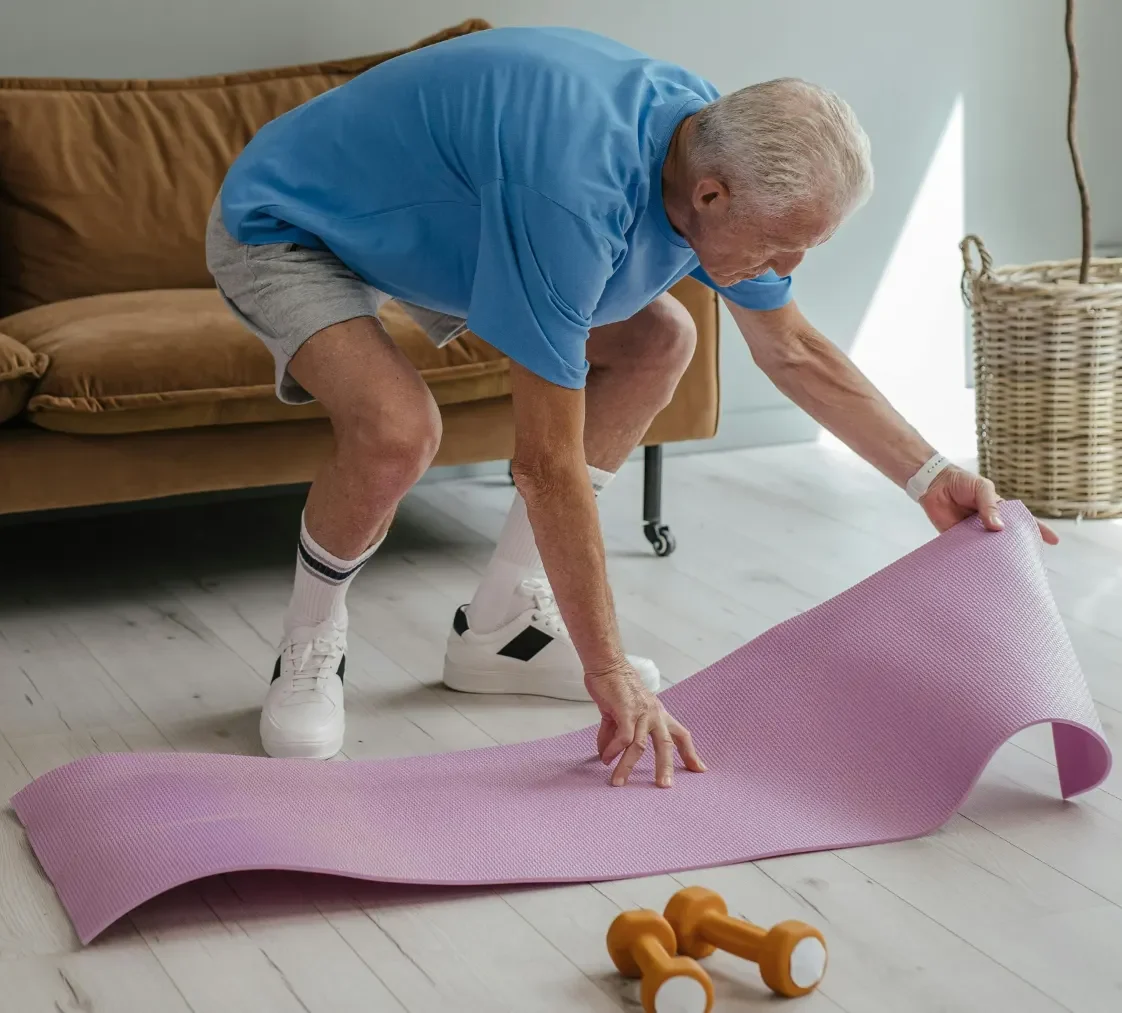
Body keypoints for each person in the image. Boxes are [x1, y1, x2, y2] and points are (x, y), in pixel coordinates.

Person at [206, 25, 1057, 784]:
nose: (788, 262)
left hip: (441, 227)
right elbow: (545, 464)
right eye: (783, 241)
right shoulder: (573, 194)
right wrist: (605, 671)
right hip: (293, 221)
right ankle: (309, 644)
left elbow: (791, 347)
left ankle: (501, 628)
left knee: (662, 341)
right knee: (400, 430)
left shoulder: (704, 146)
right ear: (713, 197)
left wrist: (930, 475)